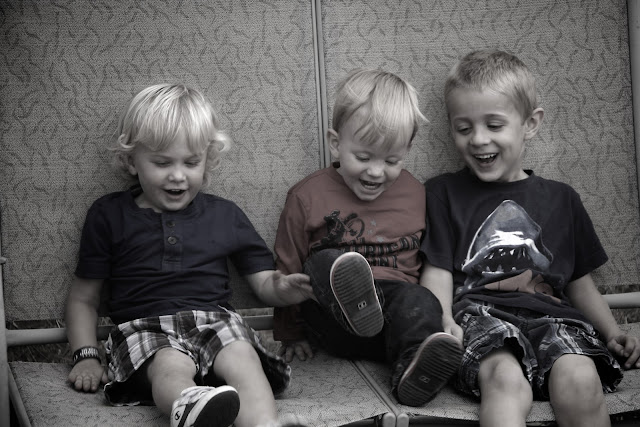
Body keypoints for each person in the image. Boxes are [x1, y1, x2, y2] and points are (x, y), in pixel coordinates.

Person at [65, 83, 313, 427]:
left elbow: (264, 284)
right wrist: (85, 355)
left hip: (215, 322)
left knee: (241, 354)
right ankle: (191, 408)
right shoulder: (109, 215)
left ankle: (264, 424)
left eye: (191, 162)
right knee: (169, 363)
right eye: (162, 162)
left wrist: (283, 289)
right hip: (146, 329)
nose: (178, 175)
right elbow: (83, 298)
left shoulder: (225, 215)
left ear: (207, 160)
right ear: (131, 161)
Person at [423, 49, 640, 427]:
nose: (478, 139)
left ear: (530, 123)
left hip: (555, 319)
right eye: (463, 128)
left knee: (580, 378)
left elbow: (579, 283)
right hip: (480, 318)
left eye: (494, 125)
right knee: (504, 379)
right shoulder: (442, 194)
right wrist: (442, 319)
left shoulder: (562, 199)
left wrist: (612, 331)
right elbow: (438, 270)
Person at [273, 69, 464, 407]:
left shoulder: (416, 193)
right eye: (363, 157)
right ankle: (352, 296)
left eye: (392, 160)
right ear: (336, 143)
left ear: (407, 150)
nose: (376, 171)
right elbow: (287, 267)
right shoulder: (307, 196)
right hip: (332, 319)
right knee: (324, 263)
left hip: (393, 323)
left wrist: (443, 317)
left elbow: (432, 264)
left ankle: (413, 370)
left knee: (419, 299)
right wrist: (290, 332)